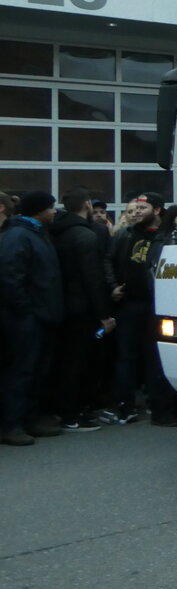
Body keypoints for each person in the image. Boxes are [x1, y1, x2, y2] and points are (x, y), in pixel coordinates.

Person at [103, 192, 177, 426]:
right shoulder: (125, 234)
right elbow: (108, 260)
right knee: (126, 358)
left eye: (142, 208)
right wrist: (112, 286)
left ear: (156, 210)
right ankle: (124, 408)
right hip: (129, 304)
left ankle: (161, 410)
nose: (136, 212)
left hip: (157, 305)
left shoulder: (167, 236)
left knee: (156, 358)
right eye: (135, 208)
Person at [0, 191, 65, 446]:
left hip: (41, 315)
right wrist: (25, 309)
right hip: (25, 318)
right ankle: (11, 425)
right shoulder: (18, 235)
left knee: (37, 371)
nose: (54, 211)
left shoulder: (36, 233)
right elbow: (9, 276)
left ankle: (30, 419)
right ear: (39, 210)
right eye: (51, 207)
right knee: (21, 371)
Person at [51, 188, 116, 432]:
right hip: (83, 310)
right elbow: (92, 278)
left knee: (67, 361)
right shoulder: (85, 236)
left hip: (62, 306)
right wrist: (104, 315)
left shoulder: (56, 231)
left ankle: (66, 410)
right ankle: (73, 414)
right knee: (80, 363)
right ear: (87, 205)